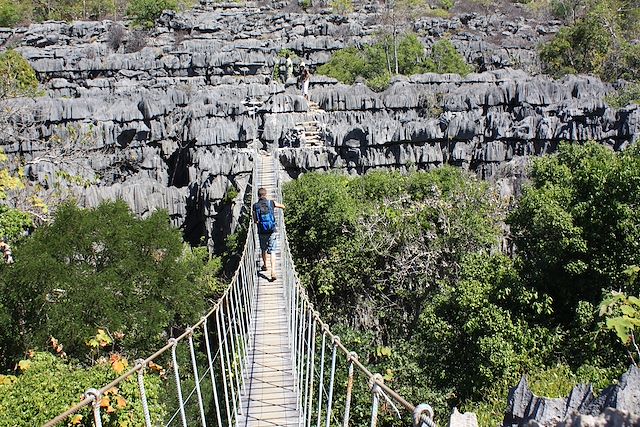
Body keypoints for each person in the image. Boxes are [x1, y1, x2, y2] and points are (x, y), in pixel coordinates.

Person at [253, 187, 285, 281]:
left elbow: (255, 221)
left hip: (262, 231)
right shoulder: (271, 202)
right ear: (265, 194)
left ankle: (265, 265)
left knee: (263, 249)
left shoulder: (255, 206)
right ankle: (273, 271)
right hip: (272, 230)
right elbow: (283, 206)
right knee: (273, 250)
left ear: (258, 195)